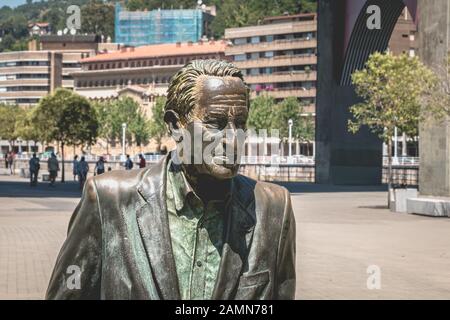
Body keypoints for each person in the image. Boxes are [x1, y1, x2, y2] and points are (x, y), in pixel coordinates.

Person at [46, 60, 295, 300]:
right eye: (215, 123)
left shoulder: (273, 208)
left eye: (240, 123)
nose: (233, 139)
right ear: (176, 126)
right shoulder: (108, 200)